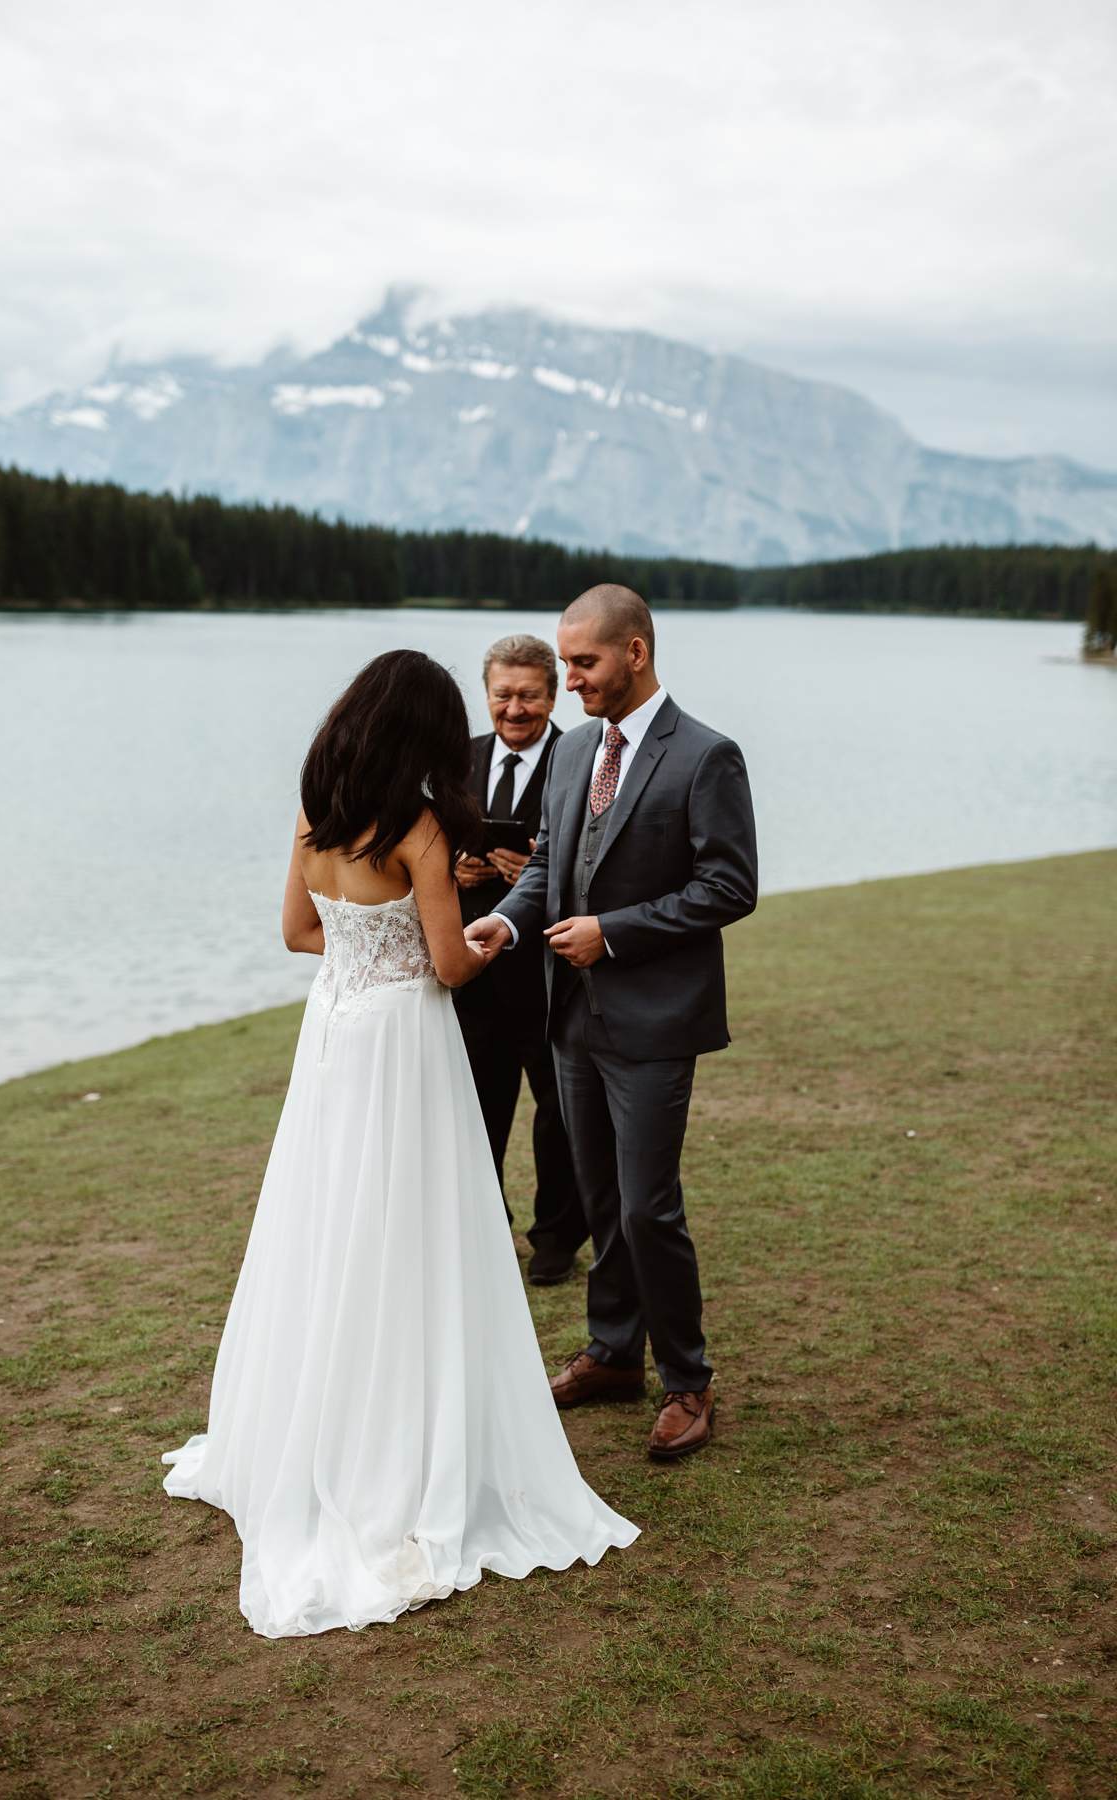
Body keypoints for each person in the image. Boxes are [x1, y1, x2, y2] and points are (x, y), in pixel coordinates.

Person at [161, 650, 637, 1637]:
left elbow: (298, 932)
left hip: (333, 1032)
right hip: (403, 1042)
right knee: (408, 1228)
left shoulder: (313, 810)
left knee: (327, 1220)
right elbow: (450, 968)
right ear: (423, 733)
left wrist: (369, 934)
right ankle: (403, 1445)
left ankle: (304, 1428)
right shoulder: (421, 827)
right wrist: (471, 908)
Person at [467, 588, 757, 1463]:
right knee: (601, 1202)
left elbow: (729, 887)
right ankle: (612, 1353)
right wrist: (510, 922)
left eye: (583, 664)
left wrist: (614, 933)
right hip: (571, 1021)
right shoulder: (575, 751)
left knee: (648, 1204)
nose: (569, 681)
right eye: (564, 664)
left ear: (635, 652)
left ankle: (689, 1381)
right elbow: (552, 860)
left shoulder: (707, 756)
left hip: (655, 1023)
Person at [453, 634, 588, 1285]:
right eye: (502, 695)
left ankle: (557, 1236)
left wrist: (536, 871)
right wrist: (453, 867)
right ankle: (485, 1226)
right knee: (474, 1107)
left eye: (528, 696)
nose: (514, 709)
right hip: (472, 971)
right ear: (487, 696)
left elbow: (598, 864)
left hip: (548, 970)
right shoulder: (459, 760)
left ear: (552, 694)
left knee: (558, 1108)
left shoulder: (580, 757)